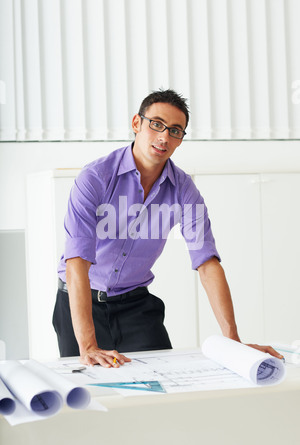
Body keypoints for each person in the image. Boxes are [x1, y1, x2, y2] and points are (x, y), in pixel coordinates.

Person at [52, 89, 283, 367]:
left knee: (163, 386)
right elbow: (76, 261)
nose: (164, 137)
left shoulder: (184, 189)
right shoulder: (95, 178)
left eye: (175, 131)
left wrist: (233, 342)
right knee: (87, 392)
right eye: (157, 124)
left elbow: (207, 263)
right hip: (79, 303)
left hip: (136, 305)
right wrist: (88, 345)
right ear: (137, 123)